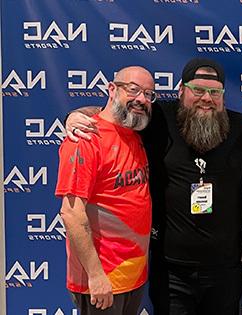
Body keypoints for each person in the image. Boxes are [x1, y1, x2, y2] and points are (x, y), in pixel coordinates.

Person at [65, 58, 242, 315]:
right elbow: (113, 114)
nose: (206, 98)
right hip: (170, 271)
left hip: (225, 270)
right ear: (181, 91)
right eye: (197, 90)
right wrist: (73, 116)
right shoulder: (159, 119)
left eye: (214, 92)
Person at [55, 66, 154, 314]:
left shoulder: (134, 133)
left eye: (148, 94)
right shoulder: (86, 139)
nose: (141, 99)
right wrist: (96, 275)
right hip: (101, 281)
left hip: (133, 275)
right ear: (112, 89)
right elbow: (71, 214)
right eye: (133, 90)